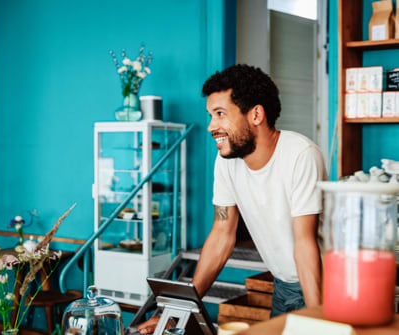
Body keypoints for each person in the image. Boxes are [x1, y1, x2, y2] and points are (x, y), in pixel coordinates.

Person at [138, 64, 324, 333]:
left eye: (220, 114)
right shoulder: (227, 161)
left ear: (256, 114)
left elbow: (305, 243)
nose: (211, 126)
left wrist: (320, 317)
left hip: (322, 284)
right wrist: (177, 312)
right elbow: (222, 234)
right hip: (284, 285)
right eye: (211, 115)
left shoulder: (300, 154)